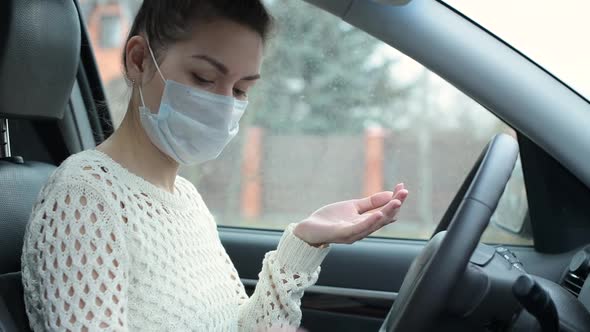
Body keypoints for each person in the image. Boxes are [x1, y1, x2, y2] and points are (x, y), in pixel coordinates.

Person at [21, 0, 409, 331]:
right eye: (205, 78)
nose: (225, 104)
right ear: (139, 60)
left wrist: (304, 243)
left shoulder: (186, 200)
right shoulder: (85, 199)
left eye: (241, 89)